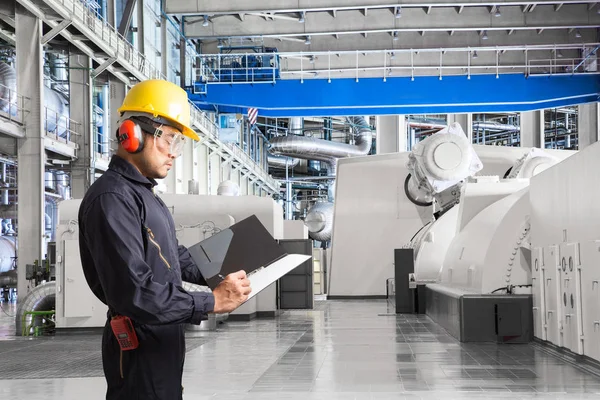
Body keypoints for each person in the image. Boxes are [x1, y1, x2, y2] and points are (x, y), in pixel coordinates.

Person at [77, 79, 252, 400]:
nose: (174, 154)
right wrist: (211, 301)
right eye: (169, 139)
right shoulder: (112, 199)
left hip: (162, 342)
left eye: (179, 144)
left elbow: (174, 257)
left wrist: (241, 256)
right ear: (132, 134)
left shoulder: (144, 195)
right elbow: (136, 293)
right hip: (138, 348)